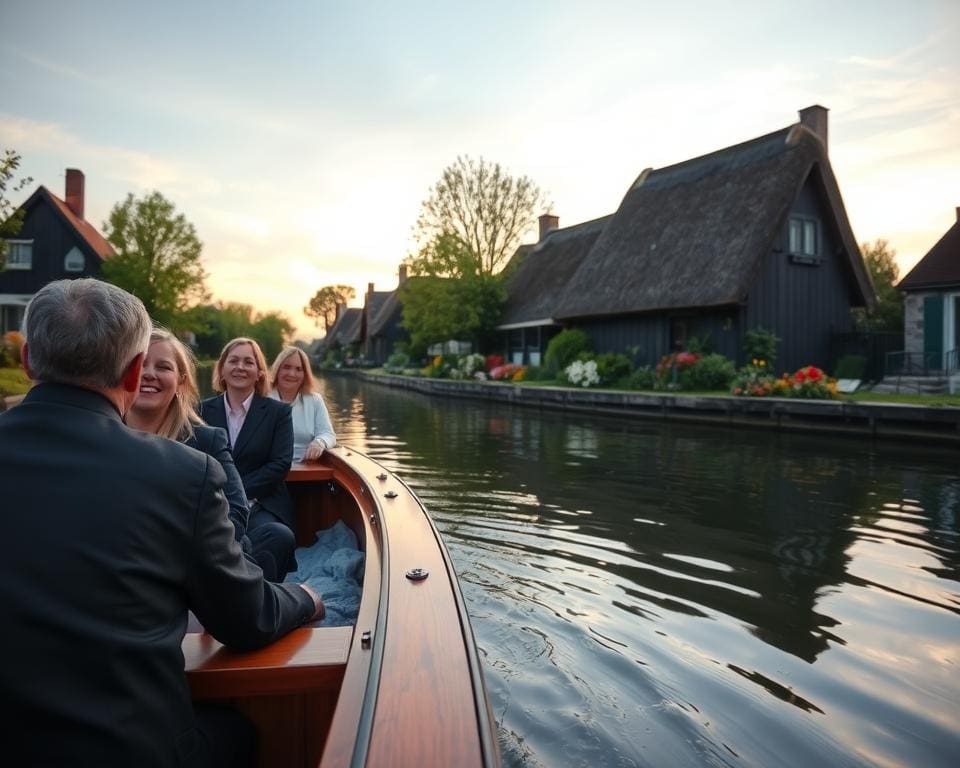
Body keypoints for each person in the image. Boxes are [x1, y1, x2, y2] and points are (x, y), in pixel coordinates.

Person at [0, 278, 323, 767]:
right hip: (124, 750)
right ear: (133, 373)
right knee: (239, 732)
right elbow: (248, 620)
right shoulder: (184, 474)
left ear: (27, 363)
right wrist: (308, 596)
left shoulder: (196, 457)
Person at [125, 327, 251, 549]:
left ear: (181, 382)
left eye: (163, 366)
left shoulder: (207, 441)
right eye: (140, 364)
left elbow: (237, 513)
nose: (149, 373)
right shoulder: (98, 435)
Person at [201, 338, 297, 582]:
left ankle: (266, 603)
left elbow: (280, 464)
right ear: (222, 370)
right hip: (210, 504)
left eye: (248, 362)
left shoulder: (279, 413)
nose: (240, 367)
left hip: (260, 503)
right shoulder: (198, 412)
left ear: (259, 372)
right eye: (233, 361)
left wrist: (237, 492)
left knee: (280, 536)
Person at [268, 346, 337, 462]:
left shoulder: (315, 400)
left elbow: (328, 434)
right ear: (277, 369)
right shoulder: (263, 398)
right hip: (268, 469)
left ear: (305, 374)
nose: (292, 374)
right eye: (286, 367)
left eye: (298, 369)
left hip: (305, 467)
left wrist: (318, 443)